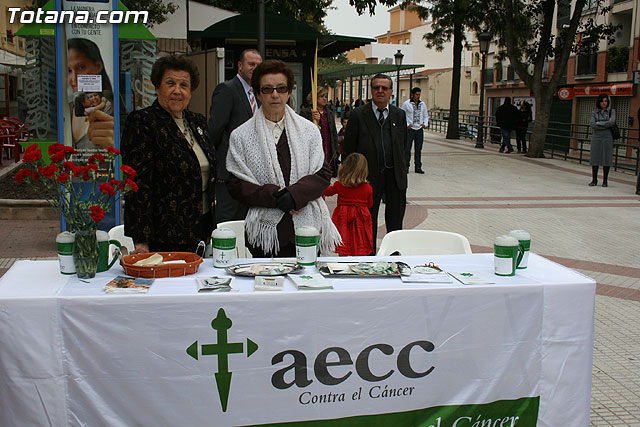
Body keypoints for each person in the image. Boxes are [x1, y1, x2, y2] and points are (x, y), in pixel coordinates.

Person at [226, 59, 341, 257]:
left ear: (289, 92)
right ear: (257, 93)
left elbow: (323, 174)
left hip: (307, 232)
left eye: (281, 88)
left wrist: (295, 195)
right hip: (265, 235)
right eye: (267, 89)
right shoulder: (241, 135)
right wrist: (276, 196)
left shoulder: (309, 131)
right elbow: (235, 183)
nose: (275, 94)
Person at [121, 55, 216, 253]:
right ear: (157, 87)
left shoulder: (197, 122)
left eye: (184, 85)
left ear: (191, 91)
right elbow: (138, 185)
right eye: (170, 83)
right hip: (164, 236)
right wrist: (141, 240)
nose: (177, 91)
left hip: (202, 229)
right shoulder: (143, 122)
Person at [343, 73, 408, 253]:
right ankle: (368, 256)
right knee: (367, 220)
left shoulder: (399, 115)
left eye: (384, 88)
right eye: (376, 88)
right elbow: (349, 148)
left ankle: (394, 256)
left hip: (395, 177)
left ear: (391, 92)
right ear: (371, 91)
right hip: (367, 179)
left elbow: (403, 145)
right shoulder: (358, 115)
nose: (380, 91)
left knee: (395, 220)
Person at [208, 49, 263, 224]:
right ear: (240, 66)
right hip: (229, 173)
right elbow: (215, 130)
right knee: (228, 222)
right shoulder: (227, 90)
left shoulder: (258, 94)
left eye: (258, 65)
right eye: (251, 64)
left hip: (251, 173)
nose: (255, 68)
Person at [67, 38, 114, 150]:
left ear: (98, 67)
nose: (74, 79)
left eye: (81, 67)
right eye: (68, 71)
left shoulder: (112, 107)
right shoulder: (67, 109)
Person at [323, 153, 373, 256]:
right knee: (361, 242)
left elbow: (326, 192)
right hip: (361, 219)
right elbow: (370, 204)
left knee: (343, 242)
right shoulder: (368, 188)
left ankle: (343, 264)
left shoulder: (340, 185)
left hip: (343, 218)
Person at [300, 87, 339, 176]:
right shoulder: (306, 112)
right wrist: (315, 122)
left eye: (326, 96)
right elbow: (303, 133)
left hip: (328, 148)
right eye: (322, 96)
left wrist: (336, 151)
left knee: (328, 174)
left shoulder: (329, 113)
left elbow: (333, 133)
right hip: (315, 149)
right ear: (315, 97)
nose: (325, 99)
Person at [589, 93, 615, 187]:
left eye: (606, 101)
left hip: (607, 137)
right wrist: (605, 124)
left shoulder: (611, 111)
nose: (604, 103)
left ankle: (605, 181)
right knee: (595, 157)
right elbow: (592, 124)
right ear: (599, 102)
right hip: (597, 137)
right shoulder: (594, 112)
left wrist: (599, 123)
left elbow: (612, 122)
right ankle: (594, 180)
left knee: (606, 158)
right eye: (602, 101)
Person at [401, 87, 429, 174]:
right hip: (410, 129)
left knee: (418, 149)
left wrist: (425, 124)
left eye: (419, 94)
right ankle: (406, 166)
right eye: (416, 94)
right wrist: (406, 125)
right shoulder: (406, 104)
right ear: (412, 95)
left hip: (419, 129)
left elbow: (426, 115)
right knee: (407, 149)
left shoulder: (423, 104)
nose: (418, 96)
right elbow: (401, 115)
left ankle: (418, 167)